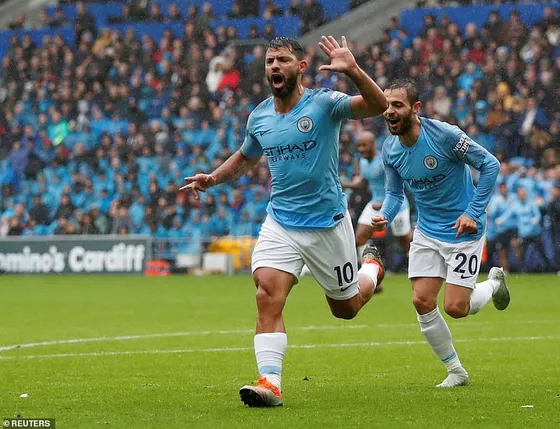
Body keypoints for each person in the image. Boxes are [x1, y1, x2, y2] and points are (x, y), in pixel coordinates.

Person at [180, 36, 388, 407]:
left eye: (283, 60)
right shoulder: (259, 116)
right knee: (267, 294)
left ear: (300, 68)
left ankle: (370, 269)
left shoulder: (324, 103)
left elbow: (377, 105)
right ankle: (270, 383)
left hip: (326, 224)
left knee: (347, 308)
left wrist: (353, 70)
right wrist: (213, 178)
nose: (275, 66)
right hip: (281, 222)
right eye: (270, 61)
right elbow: (246, 157)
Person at [371, 79, 509, 388]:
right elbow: (395, 194)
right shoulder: (390, 149)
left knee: (456, 308)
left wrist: (473, 212)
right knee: (421, 300)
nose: (389, 112)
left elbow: (489, 165)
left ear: (415, 108)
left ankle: (493, 284)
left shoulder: (444, 135)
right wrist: (386, 215)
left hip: (464, 230)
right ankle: (456, 371)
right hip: (427, 230)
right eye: (386, 105)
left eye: (397, 106)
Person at [342, 130, 413, 261]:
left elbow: (393, 189)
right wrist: (345, 185)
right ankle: (370, 272)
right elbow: (364, 184)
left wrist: (383, 204)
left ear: (372, 144)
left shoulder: (383, 161)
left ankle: (417, 255)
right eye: (359, 146)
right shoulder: (363, 162)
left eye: (364, 145)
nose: (361, 149)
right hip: (375, 203)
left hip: (397, 205)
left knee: (404, 241)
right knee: (360, 238)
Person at [497, 187, 553, 272]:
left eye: (524, 193)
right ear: (518, 195)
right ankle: (522, 270)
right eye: (521, 194)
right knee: (522, 254)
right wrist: (501, 219)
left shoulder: (531, 203)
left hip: (535, 232)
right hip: (524, 233)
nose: (523, 195)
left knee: (542, 251)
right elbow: (508, 214)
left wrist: (536, 220)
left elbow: (537, 214)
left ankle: (550, 268)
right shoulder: (515, 205)